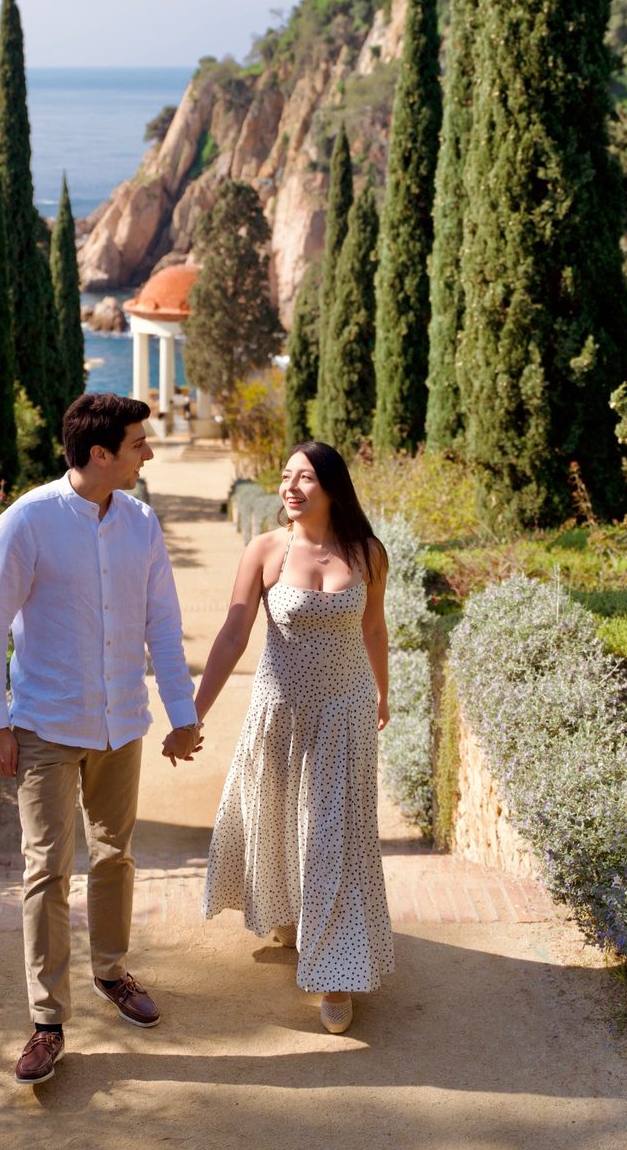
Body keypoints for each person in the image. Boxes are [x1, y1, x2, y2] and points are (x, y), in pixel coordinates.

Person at [0, 392, 203, 1086]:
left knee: (113, 856)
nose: (148, 454)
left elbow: (162, 623)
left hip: (119, 724)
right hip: (44, 725)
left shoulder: (140, 522)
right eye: (138, 444)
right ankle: (47, 1020)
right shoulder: (27, 521)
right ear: (100, 454)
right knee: (46, 868)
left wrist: (182, 712)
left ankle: (110, 971)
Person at [190, 440, 394, 1035]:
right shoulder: (266, 550)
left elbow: (374, 628)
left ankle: (336, 974)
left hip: (345, 715)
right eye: (285, 477)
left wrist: (382, 694)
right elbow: (233, 635)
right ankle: (287, 910)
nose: (290, 487)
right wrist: (194, 713)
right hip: (281, 713)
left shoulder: (367, 553)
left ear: (332, 486)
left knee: (335, 836)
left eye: (305, 478)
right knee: (278, 819)